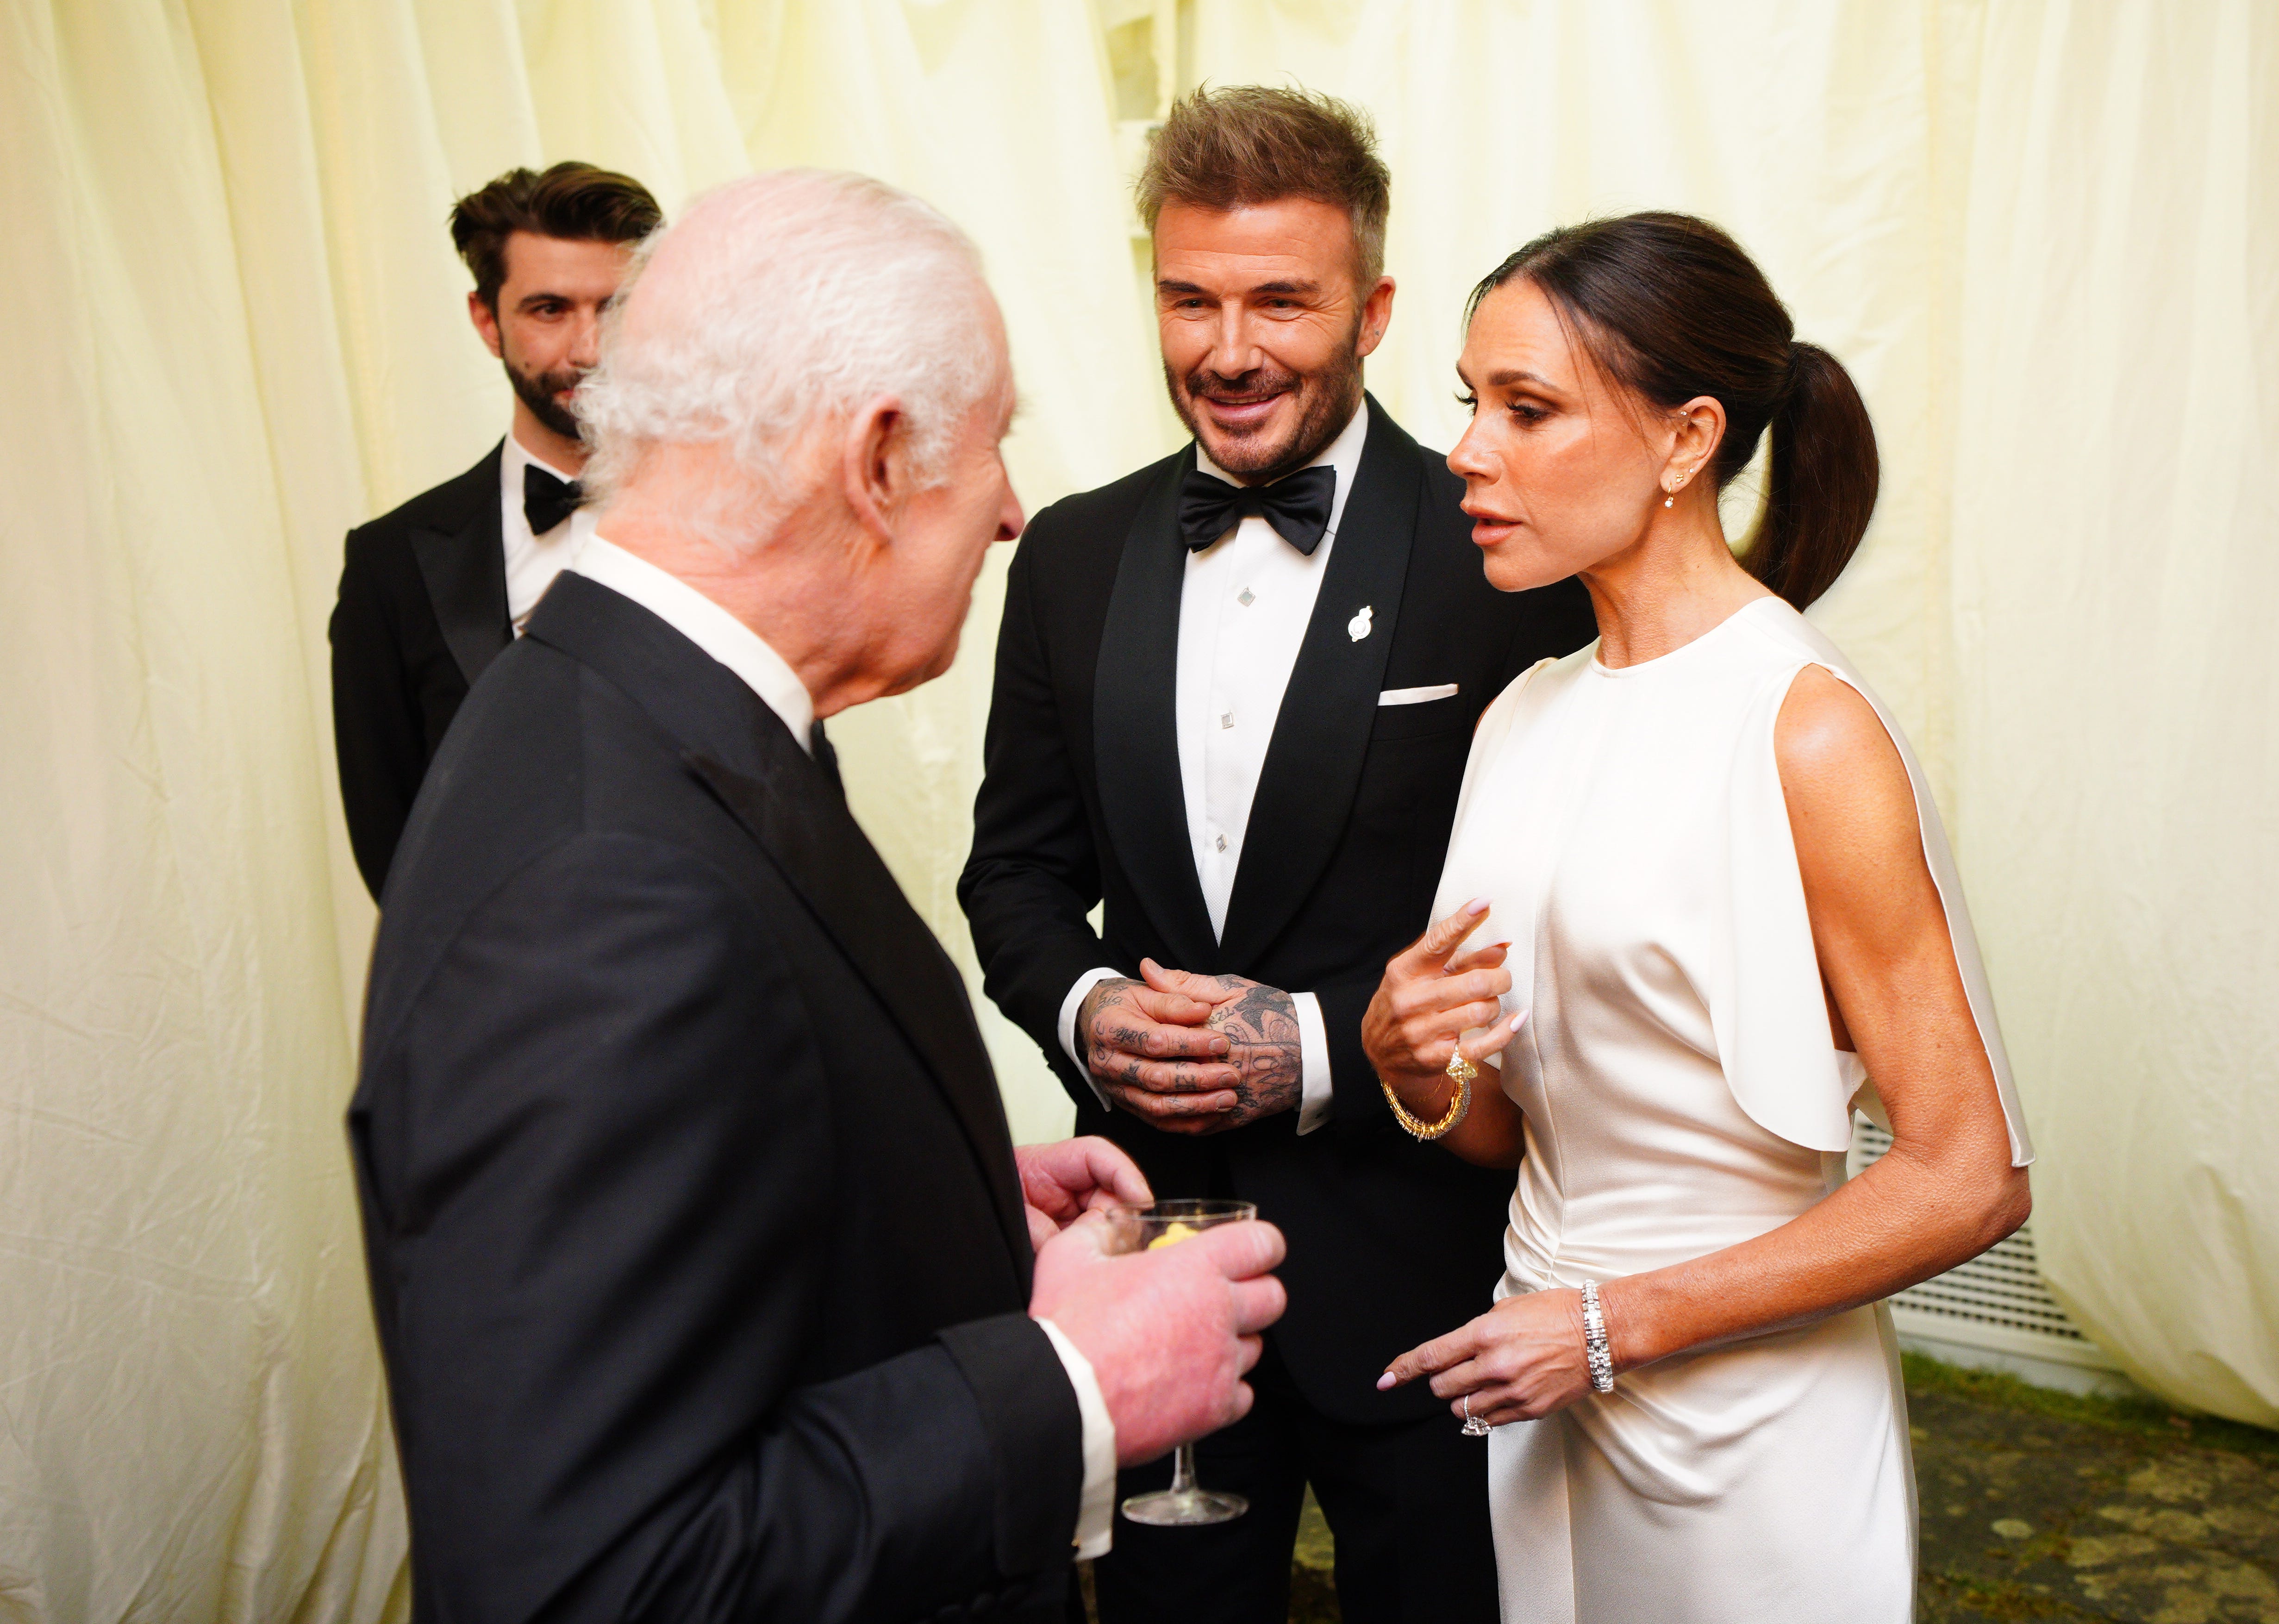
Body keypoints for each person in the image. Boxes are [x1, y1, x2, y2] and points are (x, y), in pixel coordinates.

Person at [347, 169, 1288, 1624]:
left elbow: (723, 1147)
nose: (1011, 514)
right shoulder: (601, 885)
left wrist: (942, 1191)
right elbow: (593, 1578)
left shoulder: (646, 715)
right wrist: (1070, 1383)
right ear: (879, 458)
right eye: (991, 452)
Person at [959, 88, 1592, 1624]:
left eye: (1278, 301)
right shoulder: (1070, 553)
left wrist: (1313, 1046)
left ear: (1371, 308)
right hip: (1155, 1262)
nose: (1227, 347)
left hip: (1424, 1255)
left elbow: (1571, 897)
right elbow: (1015, 874)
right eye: (1189, 297)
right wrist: (1089, 1003)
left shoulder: (1500, 548)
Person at [1362, 214, 2036, 1622]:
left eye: (1527, 409)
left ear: (1688, 442)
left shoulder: (1805, 729)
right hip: (1542, 1392)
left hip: (1746, 1425)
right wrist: (1409, 1057)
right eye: (1471, 404)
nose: (1469, 454)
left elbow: (1972, 1172)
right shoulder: (1523, 718)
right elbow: (1504, 1127)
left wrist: (1612, 1327)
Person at [328, 161, 660, 898]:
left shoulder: (738, 519)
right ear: (487, 321)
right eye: (549, 310)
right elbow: (394, 848)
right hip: (506, 995)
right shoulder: (392, 564)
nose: (590, 350)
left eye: (616, 308)